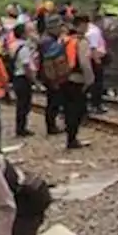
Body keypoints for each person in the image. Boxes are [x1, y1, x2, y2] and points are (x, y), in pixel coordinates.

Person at [39, 14, 95, 149]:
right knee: (78, 110)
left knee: (68, 108)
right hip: (77, 79)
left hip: (63, 78)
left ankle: (70, 138)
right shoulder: (81, 42)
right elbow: (84, 63)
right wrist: (90, 80)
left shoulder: (64, 40)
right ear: (81, 26)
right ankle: (72, 139)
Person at [8, 22, 37, 137]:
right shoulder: (24, 48)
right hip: (23, 77)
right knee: (24, 104)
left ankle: (20, 127)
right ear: (24, 33)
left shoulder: (12, 45)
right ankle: (21, 128)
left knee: (21, 103)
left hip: (16, 76)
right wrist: (34, 79)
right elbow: (26, 66)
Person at [85, 12, 108, 114]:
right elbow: (93, 47)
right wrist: (97, 61)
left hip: (90, 59)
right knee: (97, 84)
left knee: (91, 83)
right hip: (95, 59)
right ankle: (96, 104)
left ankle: (91, 104)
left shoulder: (89, 30)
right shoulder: (94, 31)